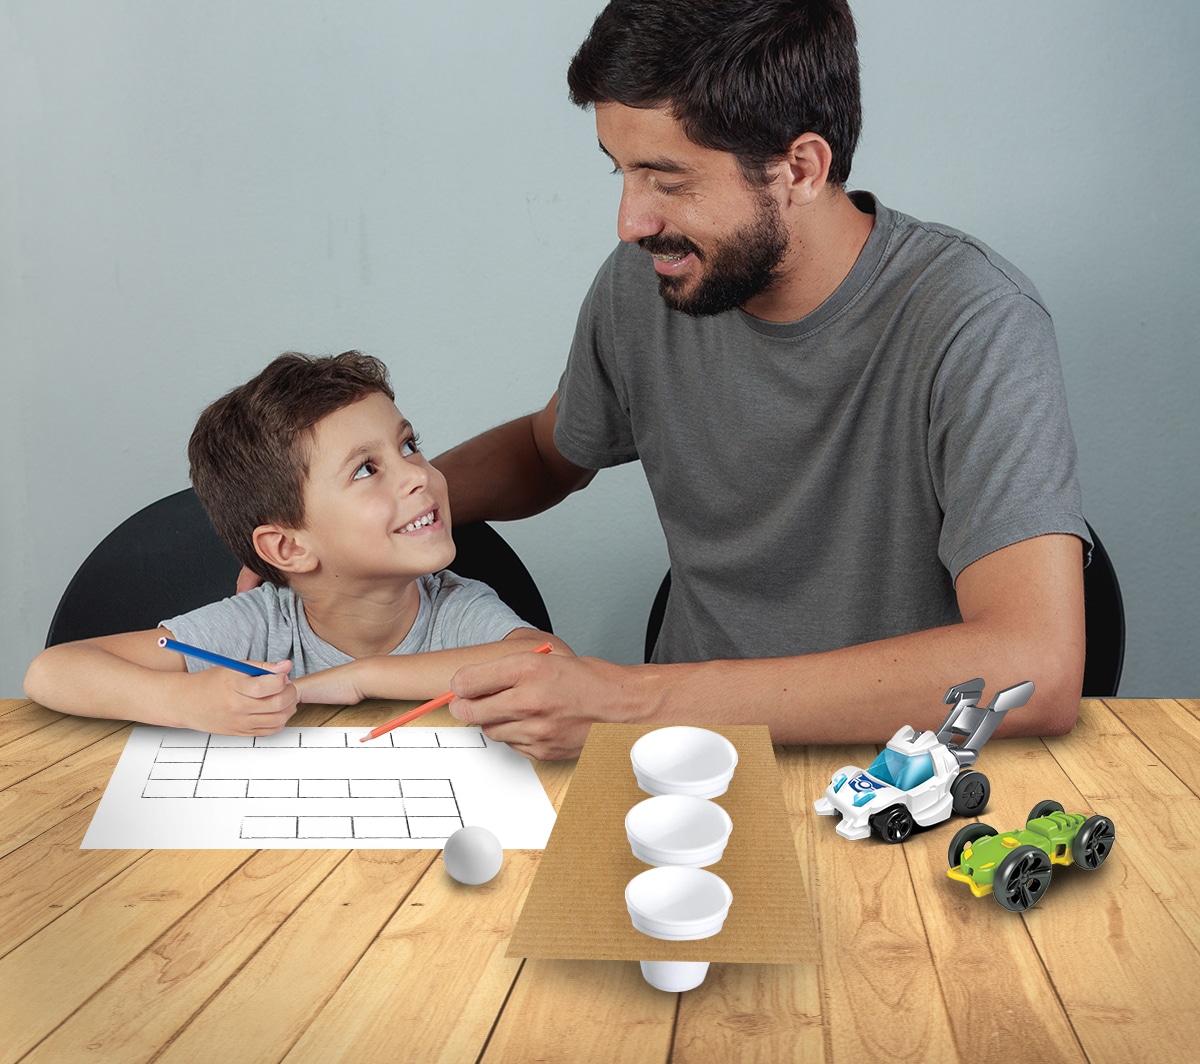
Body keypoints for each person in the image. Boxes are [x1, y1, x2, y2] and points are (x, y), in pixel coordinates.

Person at [430, 0, 1090, 759]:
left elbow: (1036, 666)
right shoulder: (642, 286)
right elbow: (548, 455)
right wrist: (347, 517)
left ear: (800, 169)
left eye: (667, 180)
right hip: (680, 764)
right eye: (622, 170)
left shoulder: (974, 322)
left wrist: (635, 701)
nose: (630, 221)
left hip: (897, 767)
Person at [24, 352, 568, 739]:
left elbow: (549, 659)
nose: (418, 475)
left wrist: (362, 678)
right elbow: (52, 671)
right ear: (287, 550)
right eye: (366, 469)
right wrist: (185, 700)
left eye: (409, 445)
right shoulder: (260, 625)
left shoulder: (455, 607)